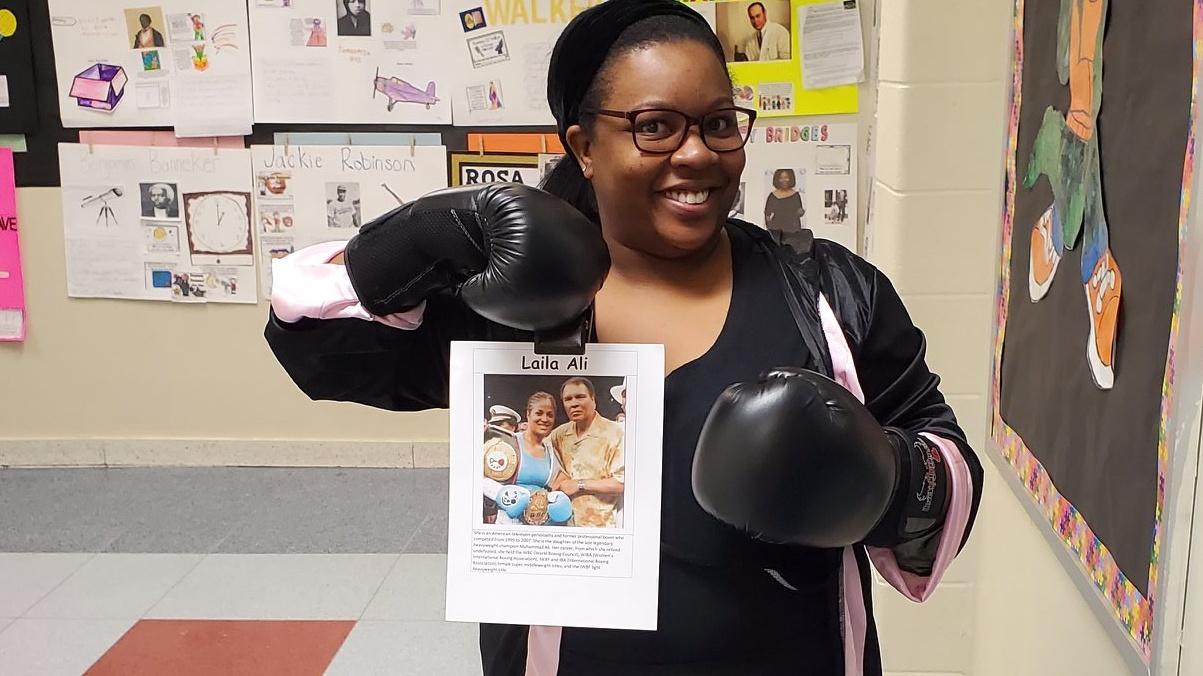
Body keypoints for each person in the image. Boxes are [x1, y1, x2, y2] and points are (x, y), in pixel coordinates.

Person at [262, 0, 983, 673]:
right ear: (583, 145)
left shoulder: (828, 294)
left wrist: (883, 478)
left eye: (719, 122)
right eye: (655, 126)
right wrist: (426, 235)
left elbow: (946, 462)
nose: (697, 154)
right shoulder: (514, 302)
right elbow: (312, 340)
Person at [547, 377, 625, 528]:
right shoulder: (560, 434)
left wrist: (580, 485)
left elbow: (621, 483)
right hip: (566, 524)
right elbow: (537, 450)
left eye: (580, 397)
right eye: (568, 399)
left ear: (593, 400)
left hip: (601, 526)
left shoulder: (614, 433)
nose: (574, 403)